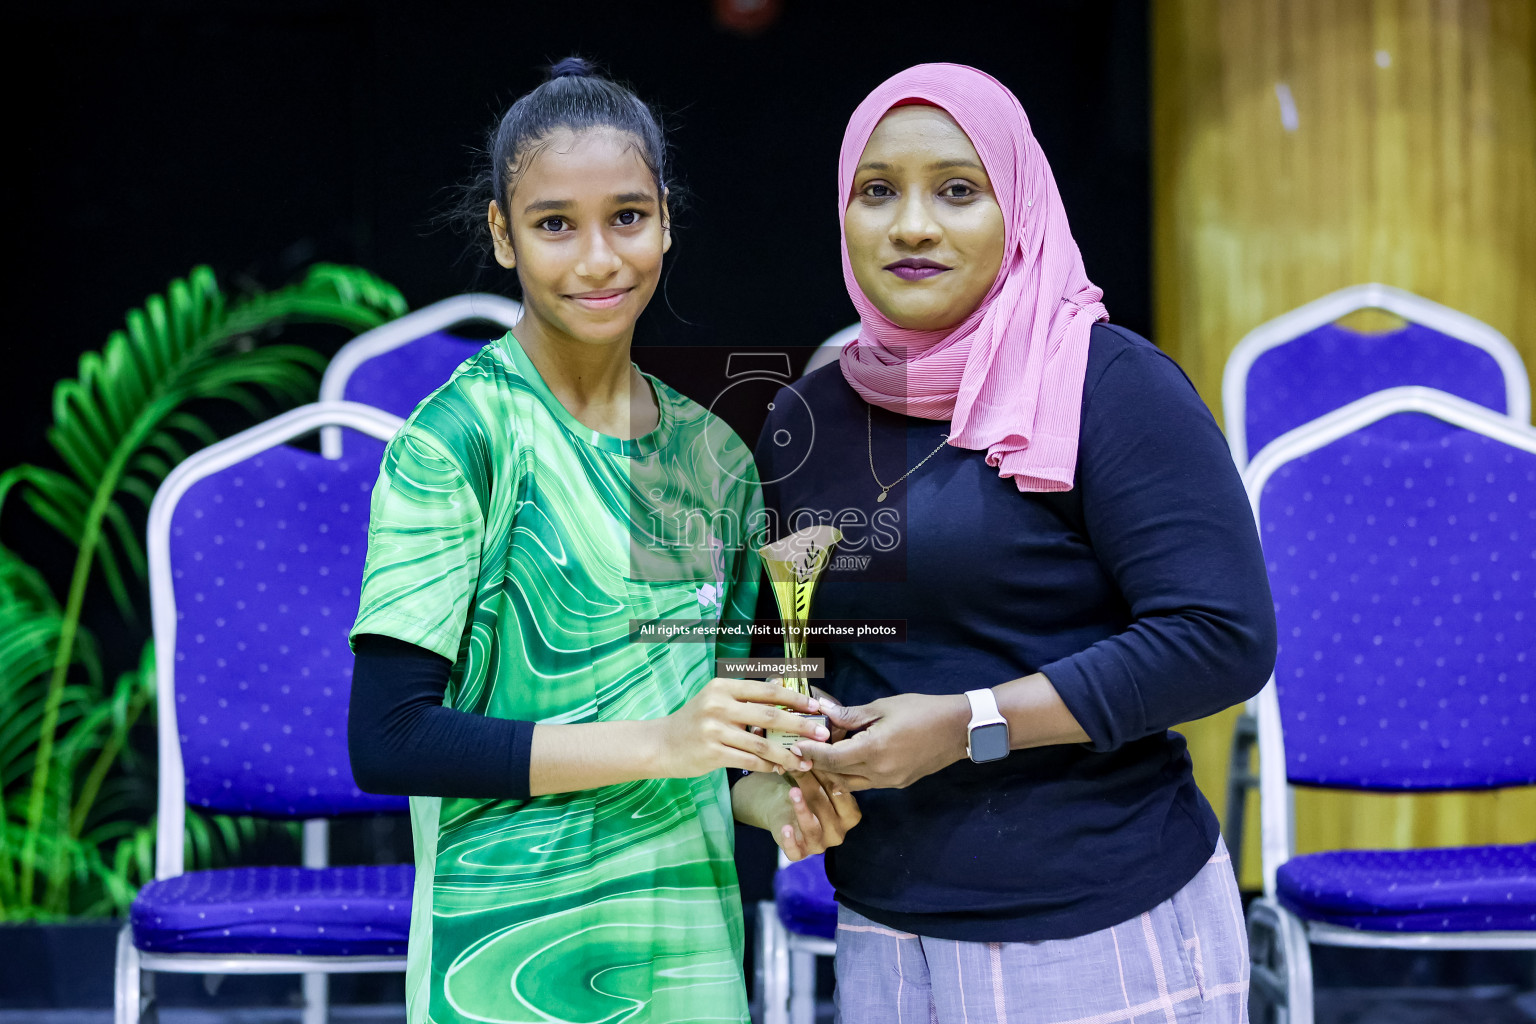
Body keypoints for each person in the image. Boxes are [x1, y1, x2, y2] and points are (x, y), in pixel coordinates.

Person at [751, 64, 1277, 1023]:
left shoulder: (1109, 386)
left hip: (1102, 925)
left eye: (958, 190)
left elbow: (1220, 636)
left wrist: (969, 722)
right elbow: (776, 661)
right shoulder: (808, 417)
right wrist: (781, 774)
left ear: (1021, 207)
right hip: (881, 925)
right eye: (878, 192)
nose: (912, 225)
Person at [346, 58, 848, 1024]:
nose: (598, 260)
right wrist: (662, 743)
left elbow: (717, 746)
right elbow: (390, 738)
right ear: (502, 235)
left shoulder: (712, 458)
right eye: (553, 225)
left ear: (666, 219)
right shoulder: (455, 444)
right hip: (498, 967)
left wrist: (773, 799)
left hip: (688, 960)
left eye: (626, 217)